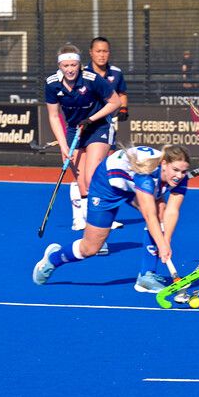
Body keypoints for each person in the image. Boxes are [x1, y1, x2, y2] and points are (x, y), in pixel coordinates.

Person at [33, 144, 191, 293]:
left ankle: (146, 276)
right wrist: (161, 245)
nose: (179, 176)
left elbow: (172, 211)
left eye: (183, 172)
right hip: (107, 185)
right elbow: (148, 215)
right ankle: (53, 258)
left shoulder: (180, 177)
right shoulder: (146, 175)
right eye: (175, 170)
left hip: (131, 183)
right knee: (90, 248)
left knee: (160, 211)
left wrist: (166, 240)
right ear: (164, 163)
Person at [44, 43, 121, 236]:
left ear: (79, 64)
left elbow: (115, 102)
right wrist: (63, 147)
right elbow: (54, 116)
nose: (70, 70)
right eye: (65, 66)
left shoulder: (91, 79)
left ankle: (100, 229)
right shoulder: (52, 83)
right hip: (74, 131)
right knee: (82, 184)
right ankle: (91, 226)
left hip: (98, 127)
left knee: (91, 175)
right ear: (59, 66)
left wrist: (91, 119)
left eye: (73, 65)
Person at [69, 36, 129, 243]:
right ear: (91, 53)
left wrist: (123, 107)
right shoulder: (82, 73)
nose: (102, 55)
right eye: (98, 51)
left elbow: (121, 93)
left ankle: (101, 216)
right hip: (81, 127)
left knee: (97, 171)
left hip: (103, 127)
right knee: (81, 173)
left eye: (106, 51)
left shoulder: (116, 73)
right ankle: (80, 217)